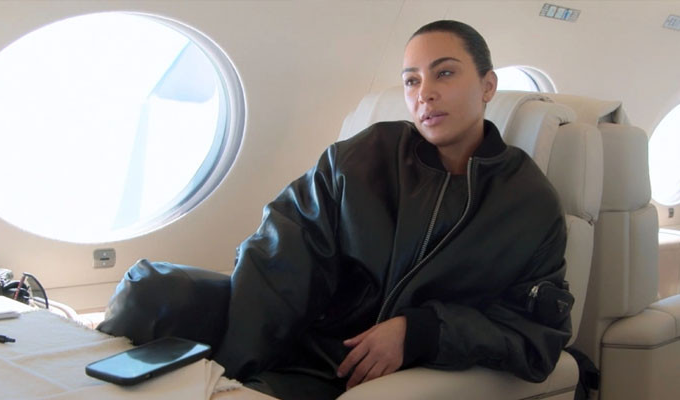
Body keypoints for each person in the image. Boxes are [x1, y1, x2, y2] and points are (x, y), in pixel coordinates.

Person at [208, 19, 572, 399]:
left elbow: (536, 336)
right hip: (305, 361)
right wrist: (230, 372)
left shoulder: (528, 202)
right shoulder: (366, 155)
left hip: (403, 381)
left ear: (488, 86)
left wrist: (422, 331)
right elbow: (280, 255)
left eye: (445, 73)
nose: (425, 94)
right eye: (412, 81)